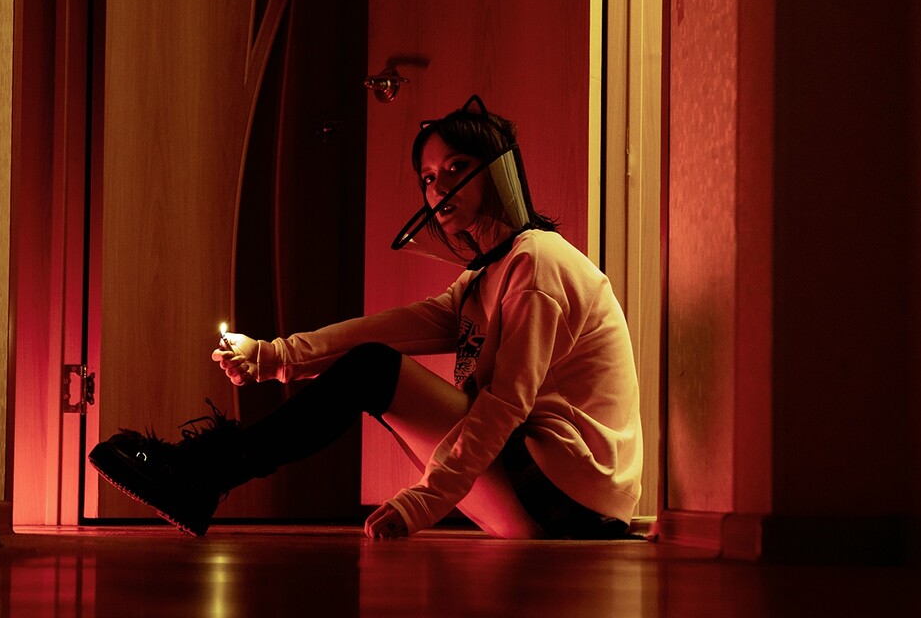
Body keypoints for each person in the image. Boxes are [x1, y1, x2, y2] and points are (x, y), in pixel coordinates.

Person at [87, 95, 643, 540]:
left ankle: (202, 475)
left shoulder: (537, 263)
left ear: (498, 172)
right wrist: (274, 356)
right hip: (532, 489)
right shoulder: (483, 277)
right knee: (374, 364)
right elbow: (388, 328)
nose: (439, 188)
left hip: (571, 502)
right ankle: (203, 476)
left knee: (375, 369)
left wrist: (424, 501)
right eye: (428, 178)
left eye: (456, 168)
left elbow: (506, 404)